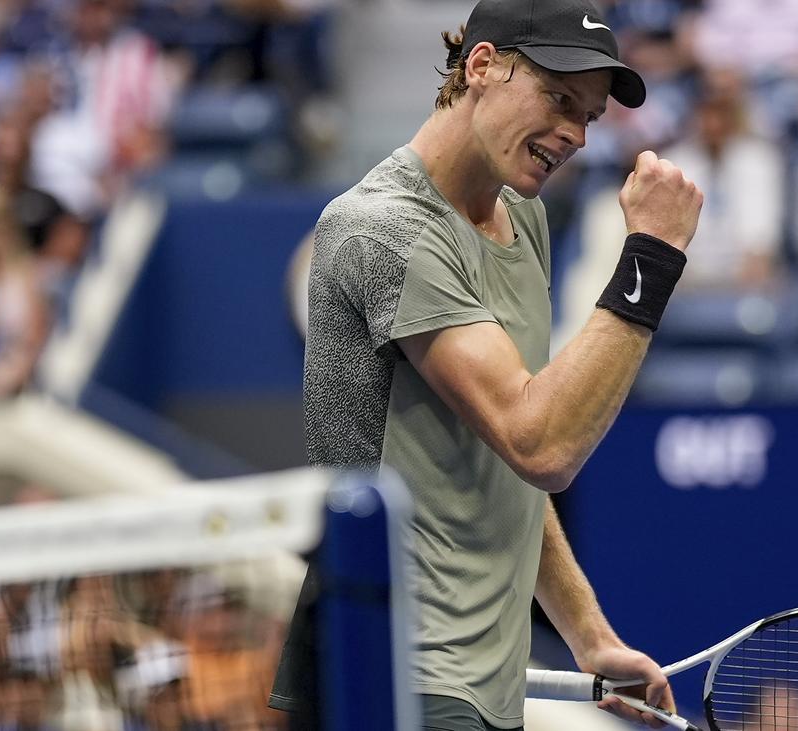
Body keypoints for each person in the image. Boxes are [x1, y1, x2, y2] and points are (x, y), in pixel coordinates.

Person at [269, 0, 703, 728]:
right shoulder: (382, 230)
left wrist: (588, 634)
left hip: (485, 683)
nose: (572, 132)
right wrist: (651, 260)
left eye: (589, 117)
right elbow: (541, 443)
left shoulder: (522, 215)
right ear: (481, 66)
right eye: (559, 98)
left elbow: (501, 466)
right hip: (396, 672)